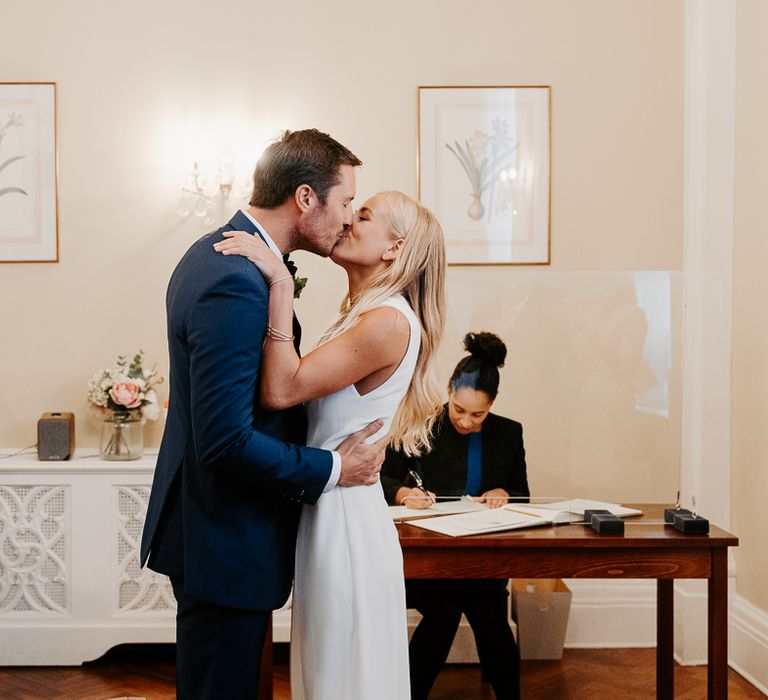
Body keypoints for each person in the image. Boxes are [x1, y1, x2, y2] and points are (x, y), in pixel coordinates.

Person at [140, 129, 391, 700]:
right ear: (306, 198)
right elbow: (226, 440)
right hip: (225, 533)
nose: (349, 218)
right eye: (347, 201)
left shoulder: (227, 256)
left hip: (223, 528)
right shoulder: (234, 277)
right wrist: (332, 468)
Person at [215, 189, 446, 699]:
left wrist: (279, 283)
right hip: (330, 505)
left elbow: (281, 389)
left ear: (393, 248)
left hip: (347, 522)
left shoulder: (386, 321)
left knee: (345, 675)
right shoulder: (365, 314)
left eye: (363, 216)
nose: (347, 220)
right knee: (329, 670)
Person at [381, 331, 529, 700]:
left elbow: (523, 492)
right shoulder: (422, 424)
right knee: (446, 612)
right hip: (428, 560)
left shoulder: (508, 434)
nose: (465, 421)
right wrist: (402, 493)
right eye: (459, 409)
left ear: (492, 403)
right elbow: (381, 477)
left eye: (478, 414)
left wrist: (503, 492)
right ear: (449, 390)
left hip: (480, 558)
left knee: (491, 617)